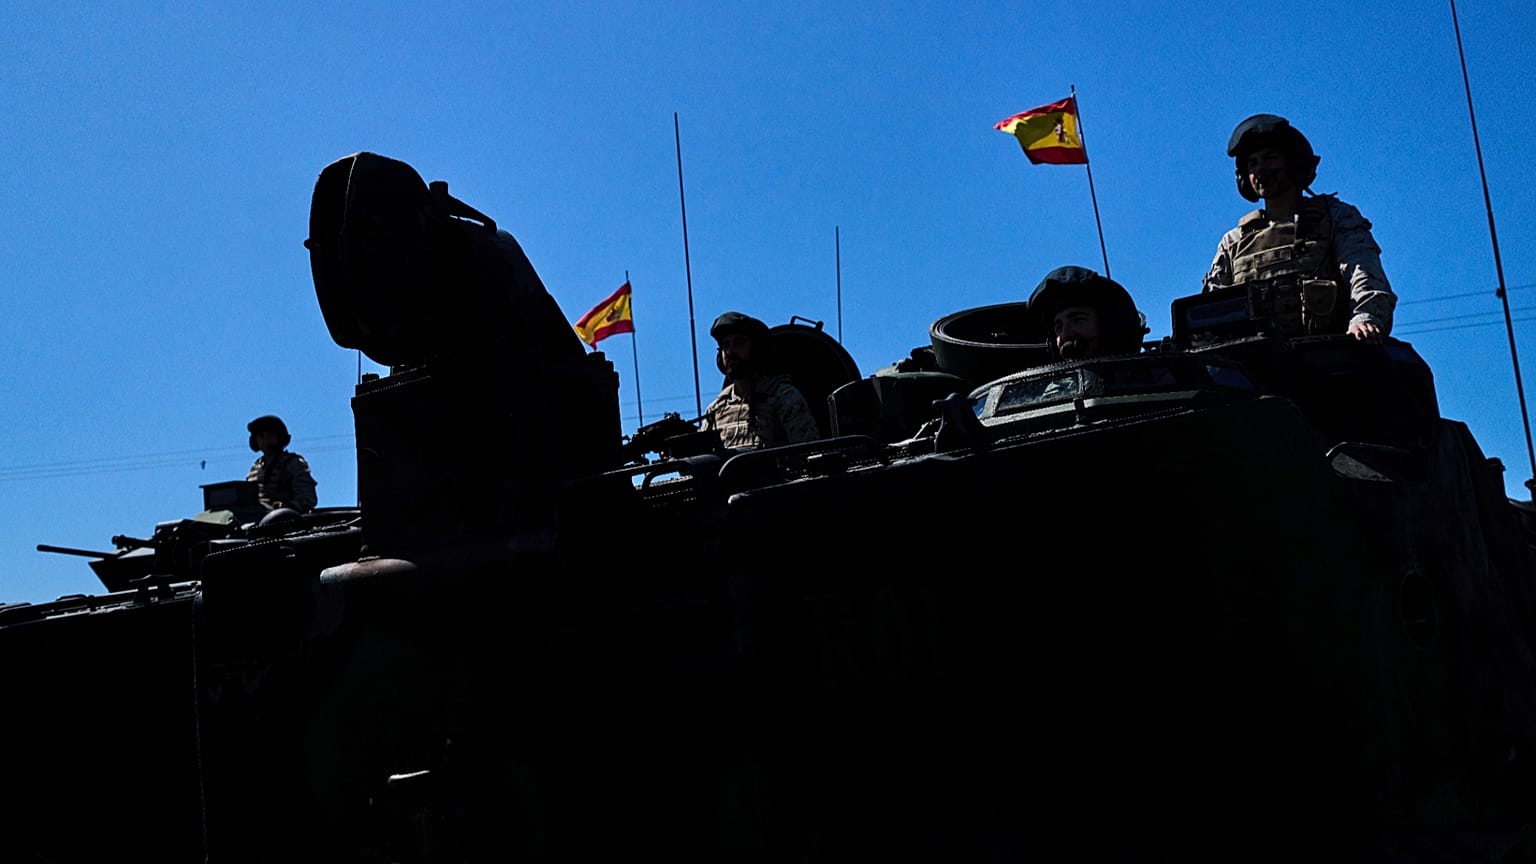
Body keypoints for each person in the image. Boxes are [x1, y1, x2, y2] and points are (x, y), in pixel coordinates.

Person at [1204, 114, 1395, 344]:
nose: (1261, 169)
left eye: (1270, 158)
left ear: (1292, 163)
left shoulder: (1335, 218)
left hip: (1327, 357)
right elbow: (1212, 310)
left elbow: (1363, 274)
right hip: (1255, 369)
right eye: (1253, 163)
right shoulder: (1234, 242)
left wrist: (1364, 319)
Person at [698, 312, 821, 450]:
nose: (730, 351)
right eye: (725, 345)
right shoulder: (716, 410)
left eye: (738, 343)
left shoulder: (783, 398)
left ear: (756, 350)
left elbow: (809, 453)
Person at [1028, 266, 1147, 361]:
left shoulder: (1150, 378)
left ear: (1107, 326)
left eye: (1077, 320)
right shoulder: (1054, 390)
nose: (1065, 335)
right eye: (1058, 327)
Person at [245, 414, 318, 513]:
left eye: (270, 434)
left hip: (287, 521)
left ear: (279, 437)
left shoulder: (292, 463)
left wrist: (288, 507)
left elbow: (307, 498)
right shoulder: (255, 469)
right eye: (261, 435)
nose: (265, 439)